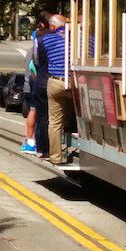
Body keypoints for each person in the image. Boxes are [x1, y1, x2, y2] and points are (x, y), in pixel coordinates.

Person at [37, 14, 74, 166]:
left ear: (52, 26)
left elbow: (39, 60)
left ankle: (56, 157)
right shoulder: (80, 37)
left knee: (54, 123)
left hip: (55, 82)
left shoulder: (45, 39)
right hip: (75, 82)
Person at [20, 12, 51, 154]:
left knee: (35, 112)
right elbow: (31, 71)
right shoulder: (33, 52)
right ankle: (30, 142)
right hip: (33, 85)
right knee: (34, 111)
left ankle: (31, 141)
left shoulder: (33, 50)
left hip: (33, 84)